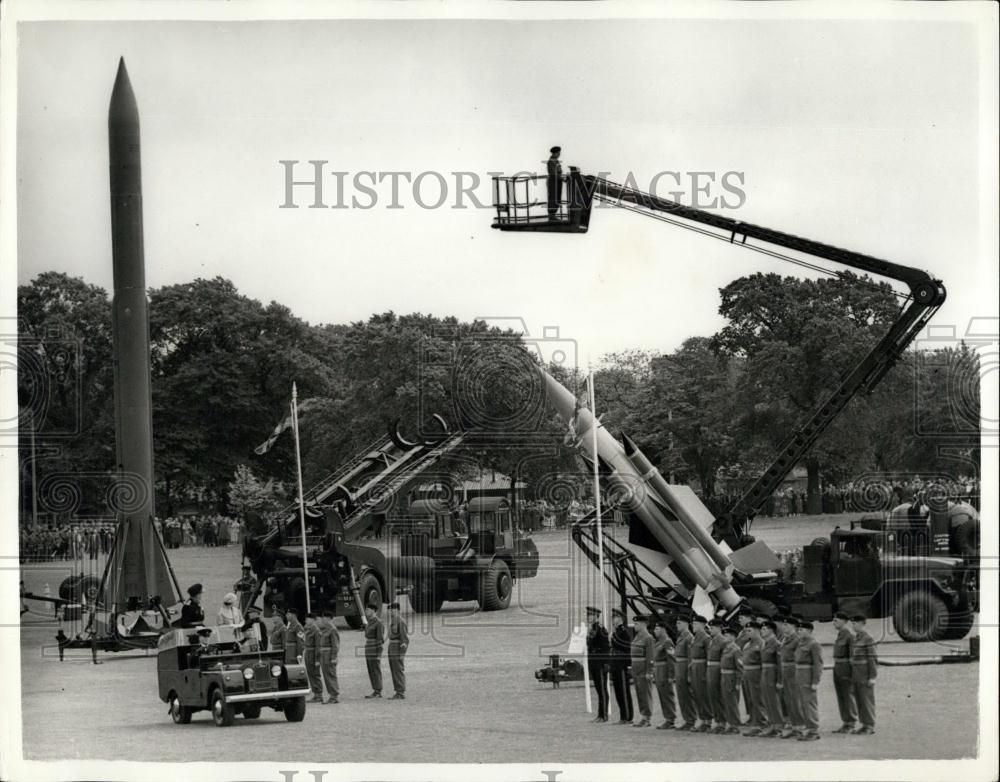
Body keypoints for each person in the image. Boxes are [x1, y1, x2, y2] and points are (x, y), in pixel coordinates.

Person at [794, 619, 823, 741]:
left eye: (802, 629)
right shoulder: (801, 643)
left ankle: (813, 730)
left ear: (809, 631)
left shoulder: (814, 644)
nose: (799, 631)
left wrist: (815, 681)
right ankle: (807, 727)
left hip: (808, 676)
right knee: (802, 703)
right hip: (800, 675)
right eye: (798, 629)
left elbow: (818, 664)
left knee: (809, 703)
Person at [849, 614, 878, 735]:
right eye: (852, 623)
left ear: (862, 624)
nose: (853, 626)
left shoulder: (868, 639)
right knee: (860, 700)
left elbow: (872, 658)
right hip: (857, 674)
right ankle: (864, 724)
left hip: (865, 674)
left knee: (866, 700)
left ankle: (869, 725)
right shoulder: (857, 638)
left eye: (855, 623)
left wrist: (872, 677)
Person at [831, 611, 858, 733]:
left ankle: (851, 722)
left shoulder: (849, 636)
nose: (833, 623)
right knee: (841, 696)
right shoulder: (840, 635)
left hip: (846, 667)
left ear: (843, 621)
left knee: (847, 695)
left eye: (836, 620)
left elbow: (853, 656)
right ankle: (845, 722)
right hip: (838, 666)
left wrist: (853, 673)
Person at [757, 619, 785, 737]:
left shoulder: (776, 644)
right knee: (767, 699)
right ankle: (772, 724)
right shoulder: (765, 643)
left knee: (774, 700)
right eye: (761, 629)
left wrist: (780, 680)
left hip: (772, 673)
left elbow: (780, 663)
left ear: (771, 630)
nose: (762, 631)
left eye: (764, 629)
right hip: (765, 673)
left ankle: (778, 725)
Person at [777, 615, 803, 739]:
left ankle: (800, 726)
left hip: (793, 670)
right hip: (785, 670)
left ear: (794, 626)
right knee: (788, 699)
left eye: (786, 625)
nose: (784, 627)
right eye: (783, 624)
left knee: (795, 699)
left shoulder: (797, 639)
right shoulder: (785, 639)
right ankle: (794, 726)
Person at [585, 605, 611, 723]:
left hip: (600, 662)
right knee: (598, 689)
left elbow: (606, 647)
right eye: (588, 615)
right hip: (594, 662)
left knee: (602, 689)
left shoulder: (601, 629)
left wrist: (605, 663)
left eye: (590, 615)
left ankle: (604, 715)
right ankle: (600, 714)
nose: (588, 617)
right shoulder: (592, 629)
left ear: (596, 616)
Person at [608, 608, 634, 724]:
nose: (613, 620)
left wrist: (612, 640)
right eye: (613, 617)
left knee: (623, 691)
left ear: (621, 619)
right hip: (616, 665)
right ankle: (623, 716)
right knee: (618, 692)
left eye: (615, 617)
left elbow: (626, 648)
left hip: (622, 665)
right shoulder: (617, 632)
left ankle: (627, 716)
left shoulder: (624, 632)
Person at [629, 615, 655, 728]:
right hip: (636, 668)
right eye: (635, 624)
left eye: (637, 624)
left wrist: (650, 671)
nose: (635, 626)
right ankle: (643, 715)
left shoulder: (648, 637)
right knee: (639, 692)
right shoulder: (637, 637)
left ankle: (647, 717)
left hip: (643, 668)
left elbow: (650, 656)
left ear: (644, 624)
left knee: (645, 692)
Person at [740, 620, 765, 736]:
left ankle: (761, 723)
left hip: (756, 674)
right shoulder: (748, 644)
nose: (747, 633)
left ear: (757, 631)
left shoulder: (761, 643)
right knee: (750, 699)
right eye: (746, 631)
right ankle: (755, 723)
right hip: (747, 673)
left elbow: (764, 661)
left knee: (757, 699)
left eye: (750, 631)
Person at [673, 613, 696, 730]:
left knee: (687, 695)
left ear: (686, 624)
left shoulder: (689, 637)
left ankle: (691, 719)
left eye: (679, 623)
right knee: (682, 695)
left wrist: (689, 673)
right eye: (677, 623)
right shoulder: (681, 636)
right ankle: (687, 719)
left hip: (685, 667)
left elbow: (690, 657)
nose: (677, 625)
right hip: (679, 667)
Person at [688, 614, 711, 732]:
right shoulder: (694, 637)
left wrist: (707, 673)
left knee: (703, 694)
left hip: (702, 667)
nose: (693, 626)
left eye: (696, 624)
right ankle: (702, 718)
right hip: (695, 667)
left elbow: (709, 656)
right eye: (693, 623)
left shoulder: (706, 638)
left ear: (702, 625)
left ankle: (708, 720)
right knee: (696, 693)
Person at [652, 619, 676, 730]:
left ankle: (670, 719)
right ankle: (667, 718)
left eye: (656, 629)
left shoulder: (667, 641)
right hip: (658, 670)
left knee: (667, 695)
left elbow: (671, 659)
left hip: (664, 670)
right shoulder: (658, 641)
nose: (654, 631)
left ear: (663, 630)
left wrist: (671, 675)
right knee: (662, 695)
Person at [719, 625, 744, 734]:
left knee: (732, 702)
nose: (724, 638)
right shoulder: (726, 648)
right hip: (724, 676)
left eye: (727, 636)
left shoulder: (736, 649)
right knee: (726, 701)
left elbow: (740, 667)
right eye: (724, 636)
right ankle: (730, 723)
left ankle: (735, 725)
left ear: (733, 637)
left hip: (731, 678)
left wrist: (738, 682)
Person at [706, 618, 727, 732]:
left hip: (718, 669)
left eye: (712, 628)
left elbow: (724, 658)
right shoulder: (712, 640)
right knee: (712, 696)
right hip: (710, 669)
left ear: (719, 628)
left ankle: (722, 722)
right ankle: (718, 720)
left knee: (719, 696)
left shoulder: (723, 641)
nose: (710, 630)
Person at [387, 602, 409, 700]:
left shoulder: (401, 622)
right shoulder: (393, 621)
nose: (391, 612)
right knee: (393, 670)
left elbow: (404, 640)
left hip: (397, 648)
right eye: (390, 610)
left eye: (393, 610)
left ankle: (400, 691)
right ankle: (397, 691)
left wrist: (402, 653)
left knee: (398, 670)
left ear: (398, 610)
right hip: (391, 647)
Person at [319, 609, 340, 704]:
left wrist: (333, 658)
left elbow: (335, 645)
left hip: (329, 654)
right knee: (326, 675)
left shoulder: (333, 630)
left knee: (331, 674)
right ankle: (331, 695)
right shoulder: (326, 629)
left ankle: (334, 695)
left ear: (329, 619)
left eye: (324, 618)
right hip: (324, 654)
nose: (323, 620)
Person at [364, 604, 385, 698]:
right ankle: (375, 689)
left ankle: (378, 690)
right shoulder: (369, 622)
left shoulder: (378, 623)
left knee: (375, 669)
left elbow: (380, 639)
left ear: (374, 611)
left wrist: (379, 654)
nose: (366, 611)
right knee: (371, 669)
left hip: (374, 648)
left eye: (368, 609)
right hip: (368, 648)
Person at [303, 613, 324, 703]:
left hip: (313, 653)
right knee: (310, 674)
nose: (306, 621)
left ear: (312, 620)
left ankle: (319, 694)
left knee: (315, 674)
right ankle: (315, 694)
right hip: (308, 653)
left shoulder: (316, 630)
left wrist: (317, 659)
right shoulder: (308, 629)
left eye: (307, 619)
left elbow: (318, 646)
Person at [546, 146, 562, 218]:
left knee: (557, 197)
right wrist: (561, 177)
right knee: (553, 197)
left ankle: (554, 214)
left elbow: (559, 171)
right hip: (553, 182)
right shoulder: (551, 161)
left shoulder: (556, 161)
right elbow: (553, 173)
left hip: (557, 182)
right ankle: (552, 215)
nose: (559, 154)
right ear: (554, 153)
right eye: (558, 153)